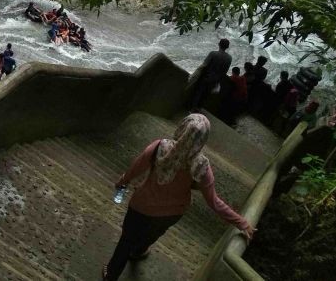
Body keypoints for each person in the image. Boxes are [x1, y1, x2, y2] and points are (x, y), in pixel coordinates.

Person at [103, 114, 254, 281]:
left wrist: (122, 182)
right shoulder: (202, 167)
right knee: (153, 233)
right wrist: (242, 223)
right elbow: (214, 202)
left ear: (182, 127)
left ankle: (111, 274)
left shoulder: (159, 147)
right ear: (203, 139)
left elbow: (135, 169)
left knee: (126, 239)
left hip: (141, 206)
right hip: (170, 215)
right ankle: (138, 251)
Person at [189, 39, 232, 111]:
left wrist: (194, 75)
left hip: (206, 77)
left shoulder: (213, 54)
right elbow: (225, 72)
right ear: (227, 47)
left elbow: (204, 65)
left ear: (219, 44)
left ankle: (192, 108)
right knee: (206, 95)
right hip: (215, 80)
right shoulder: (229, 58)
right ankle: (199, 109)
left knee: (198, 93)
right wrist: (218, 82)